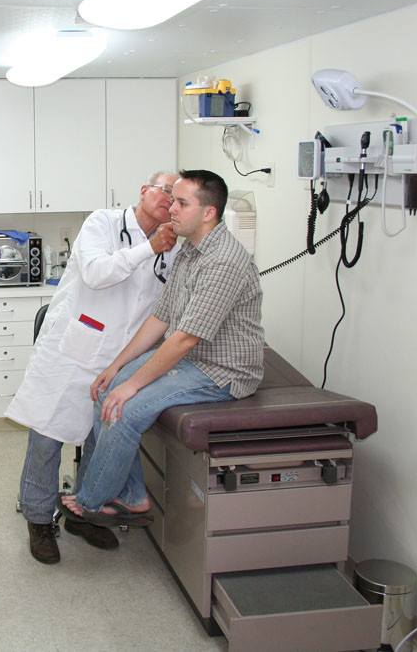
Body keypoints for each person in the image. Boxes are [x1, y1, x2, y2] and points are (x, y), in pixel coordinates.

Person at [60, 169, 264, 526]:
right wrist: (116, 367)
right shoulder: (190, 250)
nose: (172, 208)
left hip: (223, 371)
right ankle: (134, 497)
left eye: (182, 203)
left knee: (124, 409)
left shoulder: (224, 261)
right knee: (106, 388)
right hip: (192, 357)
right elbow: (161, 317)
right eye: (173, 199)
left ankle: (91, 501)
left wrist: (131, 384)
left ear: (208, 213)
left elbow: (186, 338)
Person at [6, 172, 180, 565]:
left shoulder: (172, 248)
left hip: (121, 359)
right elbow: (97, 273)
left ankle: (84, 514)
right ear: (144, 190)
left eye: (177, 197)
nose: (169, 201)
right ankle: (38, 520)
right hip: (73, 353)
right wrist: (147, 248)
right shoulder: (103, 222)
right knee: (47, 440)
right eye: (164, 190)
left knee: (99, 442)